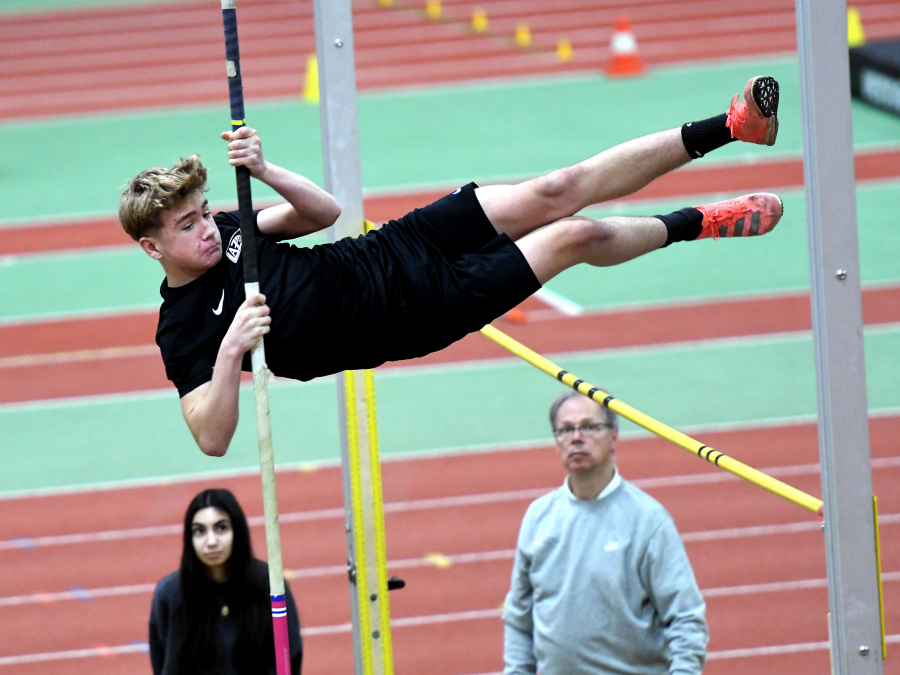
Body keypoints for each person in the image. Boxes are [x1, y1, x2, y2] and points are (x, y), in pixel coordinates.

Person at [119, 75, 783, 456]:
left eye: (204, 212)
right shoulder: (183, 328)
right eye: (186, 226)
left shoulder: (232, 226)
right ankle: (697, 224)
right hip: (414, 312)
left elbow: (322, 214)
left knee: (553, 190)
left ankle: (730, 127)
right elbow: (210, 434)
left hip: (393, 249)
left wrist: (264, 170)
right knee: (571, 236)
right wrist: (234, 344)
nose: (206, 229)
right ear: (151, 247)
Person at [502, 390, 708, 675]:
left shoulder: (648, 521)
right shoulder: (539, 517)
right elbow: (519, 619)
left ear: (614, 435)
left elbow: (686, 618)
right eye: (566, 429)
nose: (576, 437)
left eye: (589, 427)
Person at [149, 489, 303, 675]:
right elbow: (161, 661)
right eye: (199, 531)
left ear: (237, 531)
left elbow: (291, 655)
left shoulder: (270, 585)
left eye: (221, 528)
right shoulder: (170, 594)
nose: (211, 541)